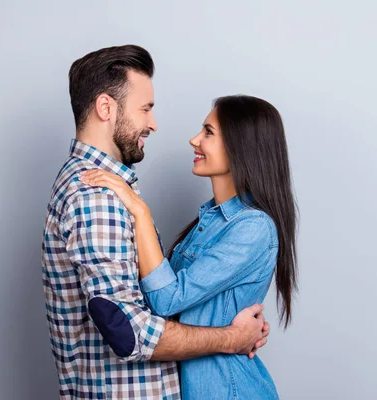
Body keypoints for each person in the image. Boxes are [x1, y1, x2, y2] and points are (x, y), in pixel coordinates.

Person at [41, 45, 270, 399]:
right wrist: (232, 337)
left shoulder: (103, 190)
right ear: (106, 108)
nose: (154, 123)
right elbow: (129, 331)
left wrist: (229, 312)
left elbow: (165, 300)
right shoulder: (97, 197)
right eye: (145, 109)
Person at [81, 94, 298, 399]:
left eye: (208, 132)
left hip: (228, 391)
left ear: (242, 146)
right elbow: (162, 304)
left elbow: (167, 300)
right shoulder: (210, 221)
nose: (194, 140)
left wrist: (139, 211)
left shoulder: (253, 228)